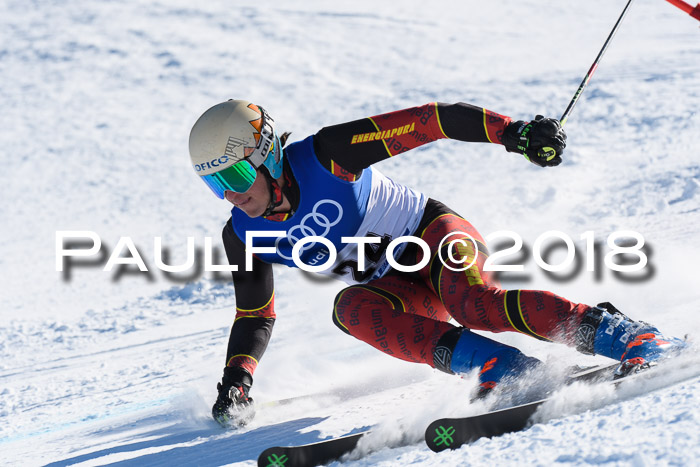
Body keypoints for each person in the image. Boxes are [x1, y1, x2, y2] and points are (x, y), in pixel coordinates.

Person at [188, 99, 686, 425]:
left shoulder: (326, 156)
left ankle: (630, 336)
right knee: (350, 309)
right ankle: (504, 369)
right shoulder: (243, 232)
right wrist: (237, 382)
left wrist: (514, 133)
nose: (230, 195)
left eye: (233, 174)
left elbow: (432, 121)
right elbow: (256, 314)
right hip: (400, 286)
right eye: (214, 184)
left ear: (265, 154)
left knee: (472, 304)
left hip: (434, 237)